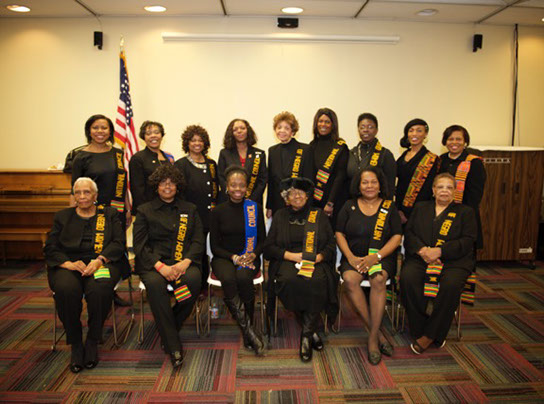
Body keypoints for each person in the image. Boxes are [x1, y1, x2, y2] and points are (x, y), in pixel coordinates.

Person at [44, 178, 126, 373]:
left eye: (87, 192)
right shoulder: (63, 216)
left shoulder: (109, 214)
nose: (82, 196)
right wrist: (67, 264)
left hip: (101, 263)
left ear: (95, 195)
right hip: (69, 265)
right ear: (74, 196)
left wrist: (99, 260)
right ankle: (75, 343)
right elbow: (51, 247)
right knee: (66, 289)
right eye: (78, 192)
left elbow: (118, 242)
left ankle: (92, 340)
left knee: (100, 289)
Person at [133, 164, 204, 368]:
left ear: (177, 186)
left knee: (192, 282)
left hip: (182, 262)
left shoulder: (189, 209)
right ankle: (173, 346)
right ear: (156, 186)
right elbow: (140, 246)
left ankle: (168, 324)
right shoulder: (144, 210)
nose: (167, 186)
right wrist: (160, 267)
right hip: (153, 264)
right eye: (163, 183)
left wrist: (185, 262)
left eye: (172, 183)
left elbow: (198, 240)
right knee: (156, 286)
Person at [400, 173, 477, 354]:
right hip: (421, 257)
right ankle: (419, 328)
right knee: (407, 278)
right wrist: (422, 251)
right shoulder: (421, 207)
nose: (444, 191)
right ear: (433, 190)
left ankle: (430, 335)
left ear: (455, 191)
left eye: (449, 187)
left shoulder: (465, 212)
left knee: (450, 285)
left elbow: (468, 241)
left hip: (454, 261)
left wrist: (440, 251)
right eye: (440, 187)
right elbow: (409, 233)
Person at [264, 177, 337, 362]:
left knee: (317, 280)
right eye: (292, 193)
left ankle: (306, 334)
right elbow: (269, 247)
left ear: (307, 195)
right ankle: (311, 331)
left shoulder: (318, 215)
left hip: (315, 260)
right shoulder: (280, 215)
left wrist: (319, 257)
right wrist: (291, 256)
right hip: (288, 259)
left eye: (301, 192)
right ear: (286, 198)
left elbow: (330, 245)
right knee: (289, 280)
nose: (297, 196)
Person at [336, 167, 402, 365]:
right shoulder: (349, 205)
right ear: (358, 186)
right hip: (354, 257)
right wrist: (350, 257)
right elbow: (339, 233)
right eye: (365, 182)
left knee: (379, 280)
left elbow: (397, 237)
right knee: (349, 279)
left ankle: (372, 339)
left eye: (373, 182)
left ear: (380, 185)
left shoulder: (389, 207)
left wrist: (377, 256)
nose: (369, 186)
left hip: (381, 257)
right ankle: (379, 334)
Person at [71, 114, 131, 306]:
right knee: (97, 249)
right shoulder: (81, 157)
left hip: (117, 211)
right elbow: (75, 189)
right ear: (89, 131)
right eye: (95, 127)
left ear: (110, 131)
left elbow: (123, 182)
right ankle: (95, 289)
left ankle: (111, 289)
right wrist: (73, 216)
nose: (100, 131)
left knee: (115, 248)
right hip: (93, 213)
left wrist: (127, 208)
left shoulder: (118, 153)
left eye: (104, 128)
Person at [210, 166, 266, 356]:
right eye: (233, 185)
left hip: (249, 255)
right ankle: (249, 331)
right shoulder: (218, 211)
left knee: (243, 278)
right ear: (227, 186)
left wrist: (254, 254)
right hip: (224, 257)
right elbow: (214, 246)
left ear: (246, 187)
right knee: (228, 279)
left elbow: (263, 240)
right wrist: (233, 257)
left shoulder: (254, 208)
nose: (238, 189)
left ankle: (247, 324)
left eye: (242, 185)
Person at [174, 125, 219, 286]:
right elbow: (178, 194)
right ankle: (196, 285)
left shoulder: (212, 164)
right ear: (187, 143)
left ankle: (208, 282)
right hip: (191, 216)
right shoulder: (180, 165)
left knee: (209, 249)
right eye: (193, 140)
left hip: (210, 216)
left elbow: (216, 188)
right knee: (195, 250)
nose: (197, 143)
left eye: (200, 140)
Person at [438, 125, 486, 250]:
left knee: (463, 248)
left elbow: (475, 194)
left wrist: (461, 213)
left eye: (458, 139)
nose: (454, 142)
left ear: (465, 142)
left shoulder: (474, 162)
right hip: (441, 211)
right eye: (450, 139)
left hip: (464, 213)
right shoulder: (441, 160)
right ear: (445, 141)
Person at [308, 108, 349, 227]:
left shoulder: (340, 146)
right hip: (315, 200)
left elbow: (340, 176)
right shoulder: (312, 145)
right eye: (320, 121)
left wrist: (330, 203)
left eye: (327, 122)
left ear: (333, 125)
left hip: (334, 201)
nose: (323, 125)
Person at [266, 111, 311, 218]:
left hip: (299, 204)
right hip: (278, 204)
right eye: (279, 127)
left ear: (293, 131)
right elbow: (271, 182)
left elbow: (309, 181)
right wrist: (269, 206)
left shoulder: (305, 150)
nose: (282, 131)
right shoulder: (272, 151)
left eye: (286, 128)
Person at [395, 118, 438, 224]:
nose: (414, 134)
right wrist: (398, 209)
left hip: (420, 211)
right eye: (411, 130)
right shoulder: (403, 156)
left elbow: (428, 189)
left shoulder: (431, 159)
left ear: (425, 134)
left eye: (419, 130)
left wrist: (409, 213)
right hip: (399, 209)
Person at [129, 121, 174, 215]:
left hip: (167, 208)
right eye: (148, 133)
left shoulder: (168, 157)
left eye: (156, 132)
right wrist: (146, 212)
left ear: (161, 135)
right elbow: (137, 191)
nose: (153, 136)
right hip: (148, 210)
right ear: (144, 137)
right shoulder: (138, 158)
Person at [218, 119, 267, 205]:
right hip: (230, 201)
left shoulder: (259, 154)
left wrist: (251, 198)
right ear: (231, 133)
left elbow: (263, 180)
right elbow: (221, 177)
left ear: (248, 131)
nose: (239, 131)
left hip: (253, 201)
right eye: (235, 129)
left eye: (242, 128)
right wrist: (233, 195)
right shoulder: (224, 153)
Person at [347, 113, 396, 199]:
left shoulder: (385, 154)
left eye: (370, 127)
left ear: (376, 130)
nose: (365, 130)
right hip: (353, 203)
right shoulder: (351, 153)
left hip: (377, 203)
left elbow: (390, 187)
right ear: (358, 130)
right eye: (362, 127)